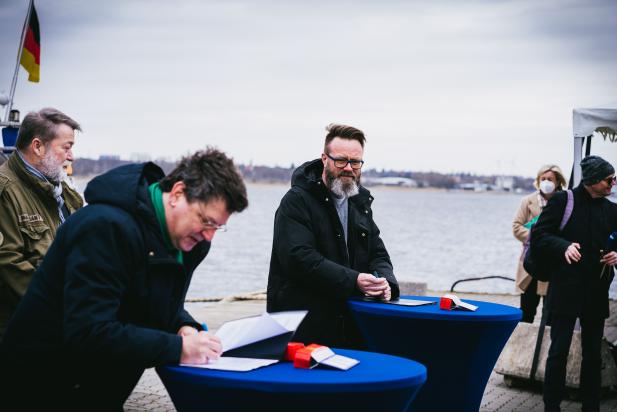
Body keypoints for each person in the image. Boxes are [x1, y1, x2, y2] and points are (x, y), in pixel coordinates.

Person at [0, 148, 248, 410]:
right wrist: (179, 348)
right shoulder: (104, 228)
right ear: (177, 194)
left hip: (100, 389)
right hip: (42, 386)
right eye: (206, 221)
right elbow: (88, 331)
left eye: (217, 227)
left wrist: (183, 326)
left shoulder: (189, 243)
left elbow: (160, 305)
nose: (209, 236)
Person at [267, 123, 399, 348]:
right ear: (324, 159)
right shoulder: (296, 201)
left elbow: (377, 253)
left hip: (351, 324)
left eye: (355, 162)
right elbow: (299, 259)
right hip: (303, 328)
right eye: (341, 160)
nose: (348, 168)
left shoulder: (360, 202)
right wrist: (355, 280)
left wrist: (384, 282)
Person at [532, 156, 617, 412]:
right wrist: (564, 246)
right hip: (565, 288)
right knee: (559, 351)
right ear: (592, 180)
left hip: (596, 290)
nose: (613, 183)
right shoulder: (562, 201)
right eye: (609, 179)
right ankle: (551, 406)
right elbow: (539, 235)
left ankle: (590, 406)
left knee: (592, 354)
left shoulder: (611, 209)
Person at [0, 108, 83, 340]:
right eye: (66, 147)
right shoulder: (5, 192)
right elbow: (8, 265)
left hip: (61, 325)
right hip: (21, 335)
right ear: (38, 147)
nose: (71, 156)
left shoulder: (63, 191)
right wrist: (68, 309)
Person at [512, 164, 566, 323]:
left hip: (554, 263)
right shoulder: (527, 201)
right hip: (531, 261)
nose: (546, 182)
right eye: (543, 179)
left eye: (550, 179)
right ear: (538, 180)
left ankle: (546, 345)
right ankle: (523, 345)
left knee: (550, 312)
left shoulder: (565, 201)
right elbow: (516, 227)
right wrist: (537, 238)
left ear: (558, 182)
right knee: (527, 310)